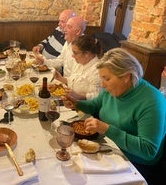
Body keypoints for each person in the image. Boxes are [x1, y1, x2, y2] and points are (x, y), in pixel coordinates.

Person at [62, 48, 166, 184]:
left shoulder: (152, 101)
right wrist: (76, 104)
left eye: (107, 78)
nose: (102, 84)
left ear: (127, 76)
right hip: (110, 148)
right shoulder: (113, 89)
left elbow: (148, 150)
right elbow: (95, 105)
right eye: (101, 78)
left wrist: (107, 129)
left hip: (135, 165)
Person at [54, 35, 103, 100]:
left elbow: (98, 97)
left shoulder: (98, 70)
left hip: (84, 106)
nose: (72, 56)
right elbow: (74, 82)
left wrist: (79, 96)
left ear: (86, 54)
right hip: (72, 100)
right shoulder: (80, 62)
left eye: (75, 53)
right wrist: (61, 79)